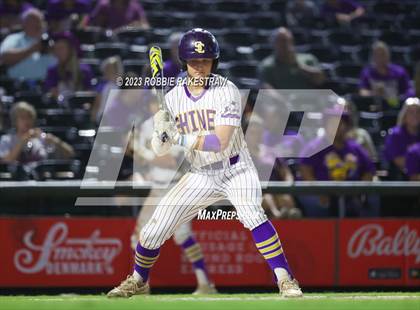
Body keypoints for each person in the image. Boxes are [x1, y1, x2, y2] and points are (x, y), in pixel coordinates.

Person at [107, 28, 303, 298]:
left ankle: (286, 280)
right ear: (185, 62)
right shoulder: (173, 98)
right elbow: (160, 147)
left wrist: (178, 137)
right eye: (194, 61)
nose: (199, 66)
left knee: (252, 214)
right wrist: (161, 135)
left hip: (236, 168)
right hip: (200, 173)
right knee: (155, 227)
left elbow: (219, 142)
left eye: (205, 60)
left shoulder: (227, 91)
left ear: (214, 61)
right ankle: (138, 279)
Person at [130, 97, 217, 294]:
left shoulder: (180, 127)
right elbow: (141, 157)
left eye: (159, 103)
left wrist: (140, 149)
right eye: (153, 103)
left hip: (175, 187)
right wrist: (137, 149)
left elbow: (168, 160)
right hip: (157, 188)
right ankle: (142, 285)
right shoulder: (145, 126)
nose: (157, 106)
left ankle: (205, 284)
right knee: (138, 237)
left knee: (182, 235)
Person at [299, 104, 376, 217]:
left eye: (341, 123)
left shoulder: (355, 148)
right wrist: (319, 191)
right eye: (333, 123)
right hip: (324, 194)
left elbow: (369, 170)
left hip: (350, 194)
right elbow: (305, 170)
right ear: (325, 125)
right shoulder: (315, 147)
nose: (338, 126)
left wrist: (359, 190)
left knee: (371, 199)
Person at [245, 115, 301, 219]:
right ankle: (278, 216)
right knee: (266, 199)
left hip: (276, 189)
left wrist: (287, 185)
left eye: (259, 132)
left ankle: (291, 222)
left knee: (286, 199)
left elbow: (286, 172)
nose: (257, 136)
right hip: (252, 194)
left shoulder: (271, 152)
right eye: (253, 133)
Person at [0, 101, 75, 164]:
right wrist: (22, 142)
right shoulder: (7, 140)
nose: (27, 121)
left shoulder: (41, 138)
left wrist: (55, 141)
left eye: (29, 117)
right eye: (22, 117)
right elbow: (5, 161)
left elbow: (70, 154)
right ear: (15, 121)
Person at [259, 27, 325, 90]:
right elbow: (267, 89)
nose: (285, 44)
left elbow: (319, 80)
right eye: (282, 41)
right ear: (273, 43)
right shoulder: (267, 65)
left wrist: (297, 65)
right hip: (283, 100)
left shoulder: (308, 58)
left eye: (288, 40)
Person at [0, 8, 56, 80]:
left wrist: (53, 49)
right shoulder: (14, 38)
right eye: (32, 21)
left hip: (47, 85)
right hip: (20, 86)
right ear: (23, 24)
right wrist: (32, 49)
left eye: (38, 21)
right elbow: (5, 57)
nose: (36, 24)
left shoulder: (50, 40)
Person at [359, 41, 414, 108]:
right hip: (374, 107)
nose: (380, 58)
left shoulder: (399, 72)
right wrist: (374, 93)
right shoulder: (367, 72)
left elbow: (409, 91)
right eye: (377, 55)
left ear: (388, 55)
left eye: (382, 54)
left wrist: (398, 98)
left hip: (395, 106)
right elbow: (362, 92)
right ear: (373, 57)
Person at [44, 32, 93, 98]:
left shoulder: (84, 70)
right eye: (56, 49)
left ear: (71, 50)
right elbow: (52, 93)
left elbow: (88, 94)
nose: (58, 52)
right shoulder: (52, 71)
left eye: (61, 48)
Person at [383, 97, 420, 177]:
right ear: (404, 115)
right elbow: (398, 161)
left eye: (418, 112)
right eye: (411, 112)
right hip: (400, 178)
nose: (415, 115)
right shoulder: (395, 134)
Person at [91, 56, 124, 123]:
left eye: (112, 70)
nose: (109, 72)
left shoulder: (123, 86)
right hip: (102, 118)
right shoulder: (101, 87)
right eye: (107, 70)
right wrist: (93, 120)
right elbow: (96, 106)